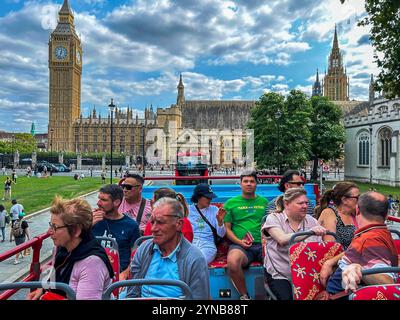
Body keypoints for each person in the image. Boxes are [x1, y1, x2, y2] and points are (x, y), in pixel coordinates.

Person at [27, 196, 114, 300]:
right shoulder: (61, 248)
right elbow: (52, 273)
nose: (49, 232)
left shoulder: (92, 264)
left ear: (76, 230)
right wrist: (42, 289)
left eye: (55, 227)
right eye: (51, 225)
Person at [126, 197, 210, 299]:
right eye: (152, 222)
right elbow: (132, 293)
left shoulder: (195, 259)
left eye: (160, 222)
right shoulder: (144, 249)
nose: (153, 229)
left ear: (179, 224)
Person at [322, 191, 398, 295]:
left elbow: (387, 283)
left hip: (343, 296)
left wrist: (358, 268)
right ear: (386, 216)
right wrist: (330, 262)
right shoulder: (379, 233)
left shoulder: (370, 239)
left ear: (357, 210)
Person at [262, 188, 327, 300]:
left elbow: (319, 250)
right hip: (281, 273)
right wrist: (310, 232)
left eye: (306, 203)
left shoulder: (312, 221)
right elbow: (281, 239)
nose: (305, 206)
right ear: (286, 204)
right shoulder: (273, 218)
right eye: (300, 203)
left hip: (307, 272)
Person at [224, 169, 268, 300]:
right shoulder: (230, 204)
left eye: (252, 181)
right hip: (240, 246)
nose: (249, 184)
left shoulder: (265, 202)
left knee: (279, 260)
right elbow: (227, 229)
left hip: (263, 244)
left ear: (256, 184)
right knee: (232, 262)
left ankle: (273, 294)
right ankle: (244, 296)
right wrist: (239, 242)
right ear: (240, 184)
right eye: (246, 181)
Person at [92, 184, 140, 280]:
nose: (98, 203)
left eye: (104, 200)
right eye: (99, 199)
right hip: (92, 271)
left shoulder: (131, 225)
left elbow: (137, 257)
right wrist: (87, 227)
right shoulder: (90, 221)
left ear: (116, 202)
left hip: (118, 275)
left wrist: (125, 273)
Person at [314, 182, 359, 250]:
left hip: (356, 256)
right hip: (338, 258)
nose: (360, 200)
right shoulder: (329, 213)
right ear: (344, 200)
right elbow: (331, 247)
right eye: (357, 197)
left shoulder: (356, 214)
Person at [188, 183, 226, 263]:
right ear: (198, 197)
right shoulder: (187, 210)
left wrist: (220, 222)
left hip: (208, 245)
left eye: (211, 197)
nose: (210, 199)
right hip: (190, 243)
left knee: (198, 261)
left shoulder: (214, 210)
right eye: (207, 197)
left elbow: (221, 234)